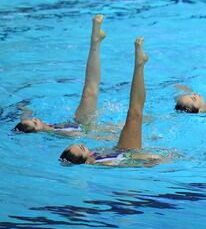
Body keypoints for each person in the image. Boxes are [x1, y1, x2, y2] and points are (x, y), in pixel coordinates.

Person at [60, 37, 158, 166]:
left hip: (121, 149)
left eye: (79, 144)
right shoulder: (100, 163)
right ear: (84, 159)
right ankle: (139, 65)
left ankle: (139, 65)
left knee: (134, 113)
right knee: (134, 114)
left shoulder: (94, 158)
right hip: (130, 151)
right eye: (82, 148)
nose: (82, 144)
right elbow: (127, 161)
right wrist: (146, 159)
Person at [14, 14, 107, 134]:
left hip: (79, 121)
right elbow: (84, 135)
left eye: (33, 119)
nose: (36, 119)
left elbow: (25, 118)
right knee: (90, 91)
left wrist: (23, 110)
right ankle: (95, 40)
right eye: (35, 123)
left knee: (89, 90)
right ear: (37, 131)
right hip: (87, 126)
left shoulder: (40, 126)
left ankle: (96, 40)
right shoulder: (58, 133)